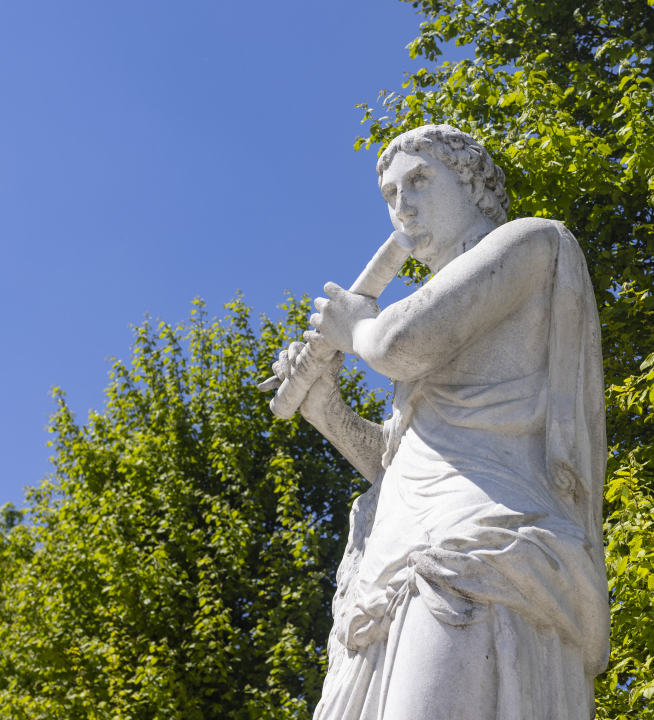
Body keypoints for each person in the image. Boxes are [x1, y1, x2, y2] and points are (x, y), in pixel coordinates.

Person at [270, 125, 610, 720]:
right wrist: (324, 405)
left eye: (420, 180)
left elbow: (400, 343)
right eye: (391, 194)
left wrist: (355, 327)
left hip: (478, 547)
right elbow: (395, 460)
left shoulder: (530, 245)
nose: (403, 206)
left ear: (474, 185)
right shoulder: (433, 304)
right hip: (391, 564)